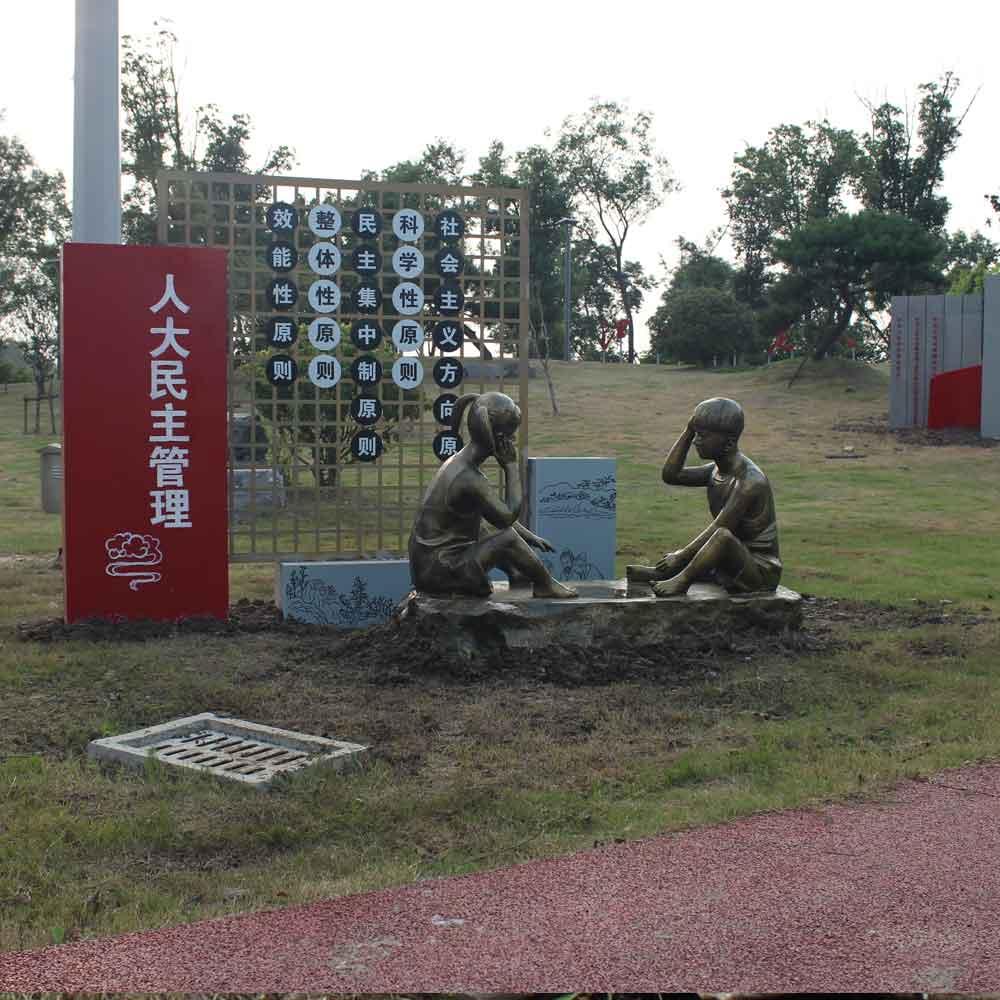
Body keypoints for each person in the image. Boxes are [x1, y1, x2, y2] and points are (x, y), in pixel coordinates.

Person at [408, 391, 578, 599]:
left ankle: (517, 573)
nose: (513, 439)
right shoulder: (468, 478)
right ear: (497, 437)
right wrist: (511, 467)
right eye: (510, 434)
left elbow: (493, 515)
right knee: (505, 539)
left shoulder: (458, 463)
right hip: (441, 570)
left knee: (486, 530)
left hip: (431, 566)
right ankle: (545, 584)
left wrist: (530, 538)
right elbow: (506, 518)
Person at [626, 397, 782, 597]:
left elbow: (720, 527)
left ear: (729, 443)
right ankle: (665, 573)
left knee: (722, 536)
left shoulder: (750, 482)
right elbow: (671, 475)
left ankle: (682, 579)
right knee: (720, 539)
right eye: (696, 434)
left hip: (759, 572)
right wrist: (688, 430)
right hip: (729, 561)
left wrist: (681, 555)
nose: (696, 441)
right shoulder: (715, 471)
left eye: (703, 435)